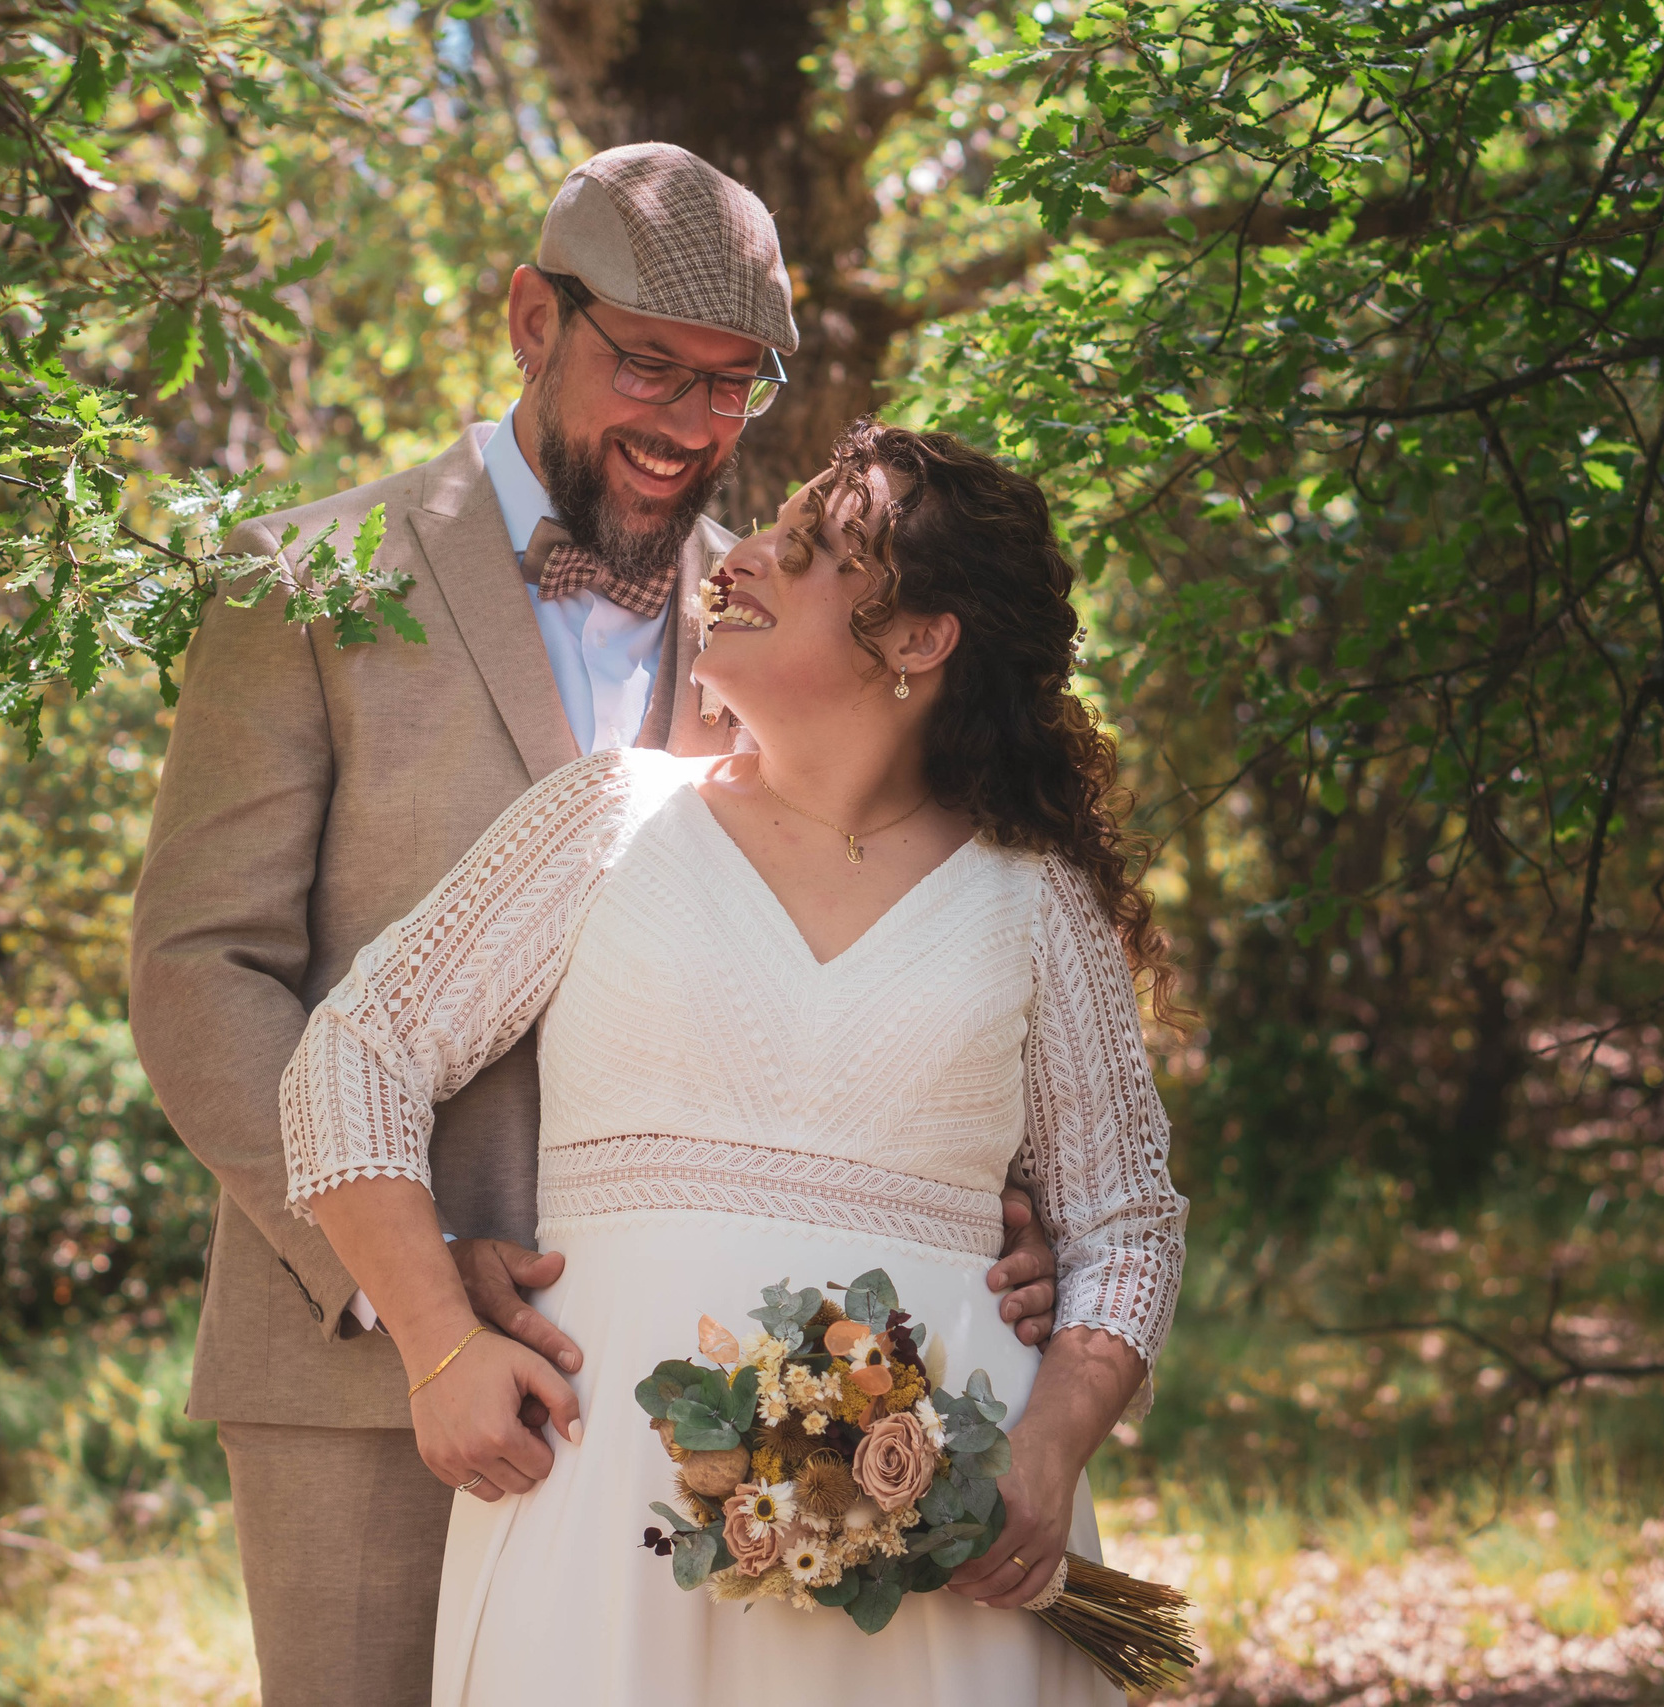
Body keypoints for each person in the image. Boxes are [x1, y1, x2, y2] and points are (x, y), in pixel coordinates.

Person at [128, 145, 1062, 1705]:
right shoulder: (305, 579)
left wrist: (990, 1216)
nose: (688, 428)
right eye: (649, 366)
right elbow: (199, 968)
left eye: (732, 388)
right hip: (358, 1363)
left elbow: (900, 925)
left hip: (714, 1399)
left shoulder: (782, 626)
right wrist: (404, 1278)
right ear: (526, 317)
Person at [280, 419, 1188, 1703]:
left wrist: (1048, 1449)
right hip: (604, 1509)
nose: (744, 552)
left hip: (951, 1540)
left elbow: (1124, 1225)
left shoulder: (1037, 906)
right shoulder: (607, 818)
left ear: (921, 640)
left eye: (810, 549)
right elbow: (351, 1058)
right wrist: (438, 1343)